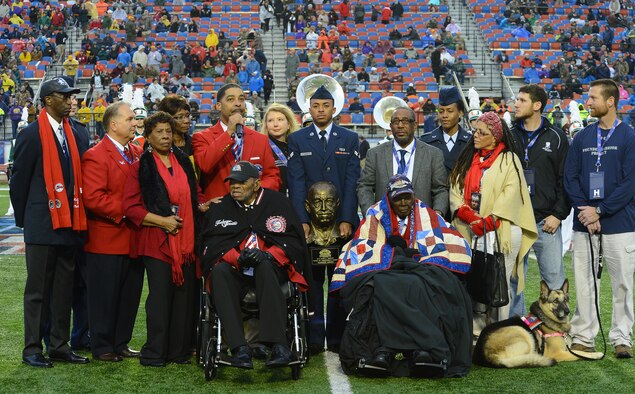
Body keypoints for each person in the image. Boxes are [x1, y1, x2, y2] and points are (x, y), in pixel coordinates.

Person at [330, 174, 472, 376]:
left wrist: (413, 257)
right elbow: (364, 244)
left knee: (427, 283)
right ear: (389, 198)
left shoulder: (425, 213)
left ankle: (423, 349)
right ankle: (384, 349)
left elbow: (444, 236)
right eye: (398, 198)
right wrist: (396, 255)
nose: (404, 203)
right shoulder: (375, 215)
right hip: (388, 271)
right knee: (379, 284)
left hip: (417, 269)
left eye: (407, 197)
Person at [10, 78, 90, 367]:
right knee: (38, 291)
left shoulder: (76, 134)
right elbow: (18, 181)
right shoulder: (31, 134)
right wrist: (27, 221)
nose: (70, 100)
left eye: (71, 95)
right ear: (47, 101)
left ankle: (59, 344)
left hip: (70, 224)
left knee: (63, 290)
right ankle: (32, 348)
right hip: (42, 224)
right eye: (63, 95)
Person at [199, 161, 310, 369]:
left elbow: (293, 242)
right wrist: (236, 258)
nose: (235, 186)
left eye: (241, 182)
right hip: (237, 271)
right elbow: (212, 245)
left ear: (257, 184)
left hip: (272, 269)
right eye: (232, 182)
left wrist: (269, 255)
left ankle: (279, 345)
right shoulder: (222, 207)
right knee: (220, 271)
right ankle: (239, 348)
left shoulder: (277, 202)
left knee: (264, 267)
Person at [123, 111, 208, 367]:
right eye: (158, 132)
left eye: (168, 131)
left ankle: (179, 351)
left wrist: (202, 204)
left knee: (185, 298)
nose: (165, 136)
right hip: (157, 241)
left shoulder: (183, 162)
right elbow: (130, 207)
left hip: (187, 241)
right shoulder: (140, 166)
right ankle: (155, 352)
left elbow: (196, 193)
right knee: (160, 299)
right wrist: (163, 222)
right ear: (147, 137)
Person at [449, 111, 537, 338]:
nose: (475, 135)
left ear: (495, 137)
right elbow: (456, 189)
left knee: (499, 283)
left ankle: (498, 332)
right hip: (470, 230)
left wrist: (489, 220)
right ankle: (477, 332)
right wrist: (469, 216)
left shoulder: (509, 159)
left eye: (482, 132)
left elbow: (511, 193)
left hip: (501, 230)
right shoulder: (468, 158)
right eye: (475, 131)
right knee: (476, 280)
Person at [564, 79, 635, 358]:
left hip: (620, 221)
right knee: (583, 279)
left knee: (622, 282)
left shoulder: (629, 136)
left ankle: (622, 337)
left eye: (593, 98)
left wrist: (601, 210)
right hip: (584, 221)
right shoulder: (582, 137)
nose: (588, 102)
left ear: (610, 102)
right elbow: (570, 177)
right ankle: (583, 335)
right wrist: (585, 209)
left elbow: (630, 182)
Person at [287, 85, 360, 354]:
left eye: (325, 106)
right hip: (311, 225)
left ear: (334, 108)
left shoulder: (350, 139)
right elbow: (295, 183)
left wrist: (348, 218)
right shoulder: (298, 139)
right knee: (313, 281)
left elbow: (352, 182)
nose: (320, 110)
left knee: (339, 280)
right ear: (309, 108)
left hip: (338, 222)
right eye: (315, 105)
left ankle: (338, 337)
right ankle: (315, 337)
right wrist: (302, 220)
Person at [81, 102, 144, 362]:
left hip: (134, 238)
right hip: (107, 238)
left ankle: (120, 342)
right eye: (130, 119)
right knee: (104, 296)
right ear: (113, 124)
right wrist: (132, 211)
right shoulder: (96, 154)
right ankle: (103, 345)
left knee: (129, 295)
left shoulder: (137, 151)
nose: (134, 122)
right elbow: (95, 198)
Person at [508, 84, 570, 317]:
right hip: (515, 221)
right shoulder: (509, 135)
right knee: (513, 282)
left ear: (537, 106)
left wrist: (558, 214)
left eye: (522, 100)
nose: (516, 104)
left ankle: (557, 334)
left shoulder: (556, 137)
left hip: (546, 222)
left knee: (554, 282)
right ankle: (516, 331)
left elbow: (565, 179)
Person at [192, 83, 281, 201]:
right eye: (230, 99)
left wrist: (253, 193)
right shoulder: (202, 137)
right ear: (218, 106)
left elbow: (272, 177)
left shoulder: (260, 139)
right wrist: (229, 132)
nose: (238, 103)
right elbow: (205, 165)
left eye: (241, 99)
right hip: (220, 211)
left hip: (254, 210)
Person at [357, 107, 448, 216]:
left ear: (414, 125)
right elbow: (365, 186)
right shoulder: (375, 154)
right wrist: (371, 213)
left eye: (405, 121)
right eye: (396, 122)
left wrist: (436, 215)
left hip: (422, 225)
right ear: (390, 126)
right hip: (383, 223)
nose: (400, 125)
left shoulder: (433, 154)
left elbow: (440, 190)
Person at [421, 86, 472, 173]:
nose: (444, 115)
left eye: (450, 111)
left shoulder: (471, 142)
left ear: (460, 113)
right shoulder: (425, 142)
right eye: (441, 111)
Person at [260, 103, 300, 195]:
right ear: (266, 125)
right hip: (273, 200)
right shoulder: (262, 148)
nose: (275, 124)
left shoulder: (297, 146)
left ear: (289, 124)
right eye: (270, 120)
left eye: (280, 120)